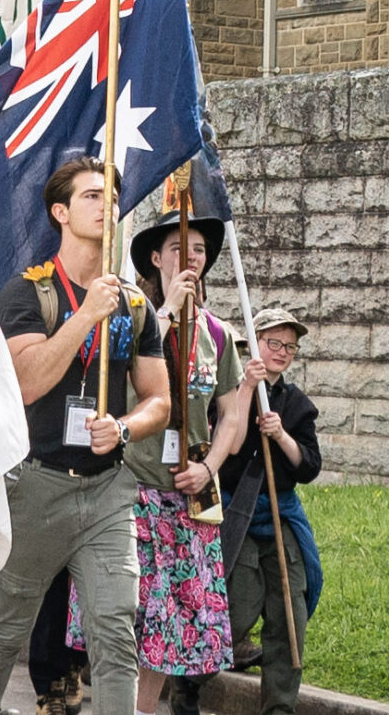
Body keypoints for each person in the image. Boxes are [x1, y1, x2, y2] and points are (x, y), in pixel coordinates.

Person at [0, 158, 172, 715]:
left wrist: (124, 427)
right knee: (6, 627)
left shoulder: (135, 306)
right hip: (38, 487)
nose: (107, 205)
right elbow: (27, 384)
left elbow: (159, 401)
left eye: (112, 197)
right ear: (60, 211)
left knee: (115, 629)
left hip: (107, 492)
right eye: (92, 196)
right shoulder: (29, 293)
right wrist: (85, 316)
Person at [69, 211, 249, 715]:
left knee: (170, 626)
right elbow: (113, 385)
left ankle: (142, 709)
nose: (190, 258)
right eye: (178, 248)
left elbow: (231, 415)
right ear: (156, 257)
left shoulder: (218, 334)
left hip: (186, 501)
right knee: (124, 613)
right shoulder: (134, 319)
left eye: (198, 250)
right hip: (130, 492)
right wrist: (165, 311)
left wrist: (209, 468)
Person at [216, 309, 323, 715]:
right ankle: (187, 684)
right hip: (238, 515)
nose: (281, 352)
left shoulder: (298, 405)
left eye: (289, 347)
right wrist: (247, 388)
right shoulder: (229, 390)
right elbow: (227, 449)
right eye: (273, 343)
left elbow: (308, 466)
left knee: (289, 614)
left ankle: (279, 707)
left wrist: (281, 436)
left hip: (280, 515)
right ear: (254, 344)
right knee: (237, 609)